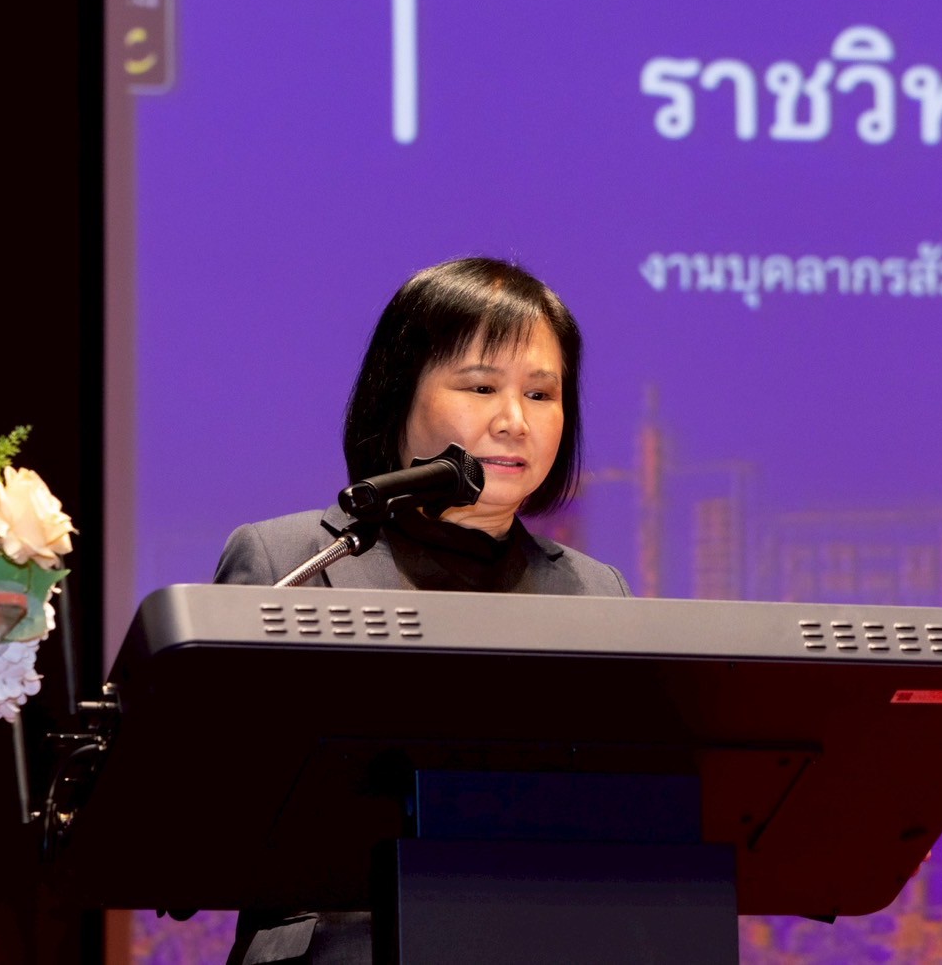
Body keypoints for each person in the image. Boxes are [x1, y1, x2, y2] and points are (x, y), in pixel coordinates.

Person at [214, 257, 631, 963]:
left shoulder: (598, 594)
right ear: (397, 397)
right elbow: (219, 805)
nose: (514, 421)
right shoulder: (289, 562)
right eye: (480, 387)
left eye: (540, 394)